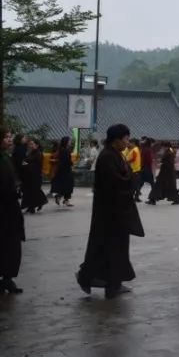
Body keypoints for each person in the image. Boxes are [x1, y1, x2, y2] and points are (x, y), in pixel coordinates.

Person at [76, 124, 145, 299]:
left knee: (116, 249)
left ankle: (114, 282)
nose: (128, 142)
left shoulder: (116, 155)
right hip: (110, 213)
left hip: (118, 211)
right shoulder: (107, 157)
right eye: (126, 139)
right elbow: (116, 183)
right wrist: (133, 180)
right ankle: (93, 278)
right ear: (116, 139)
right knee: (106, 248)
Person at [1, 129, 25, 294]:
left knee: (11, 245)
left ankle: (7, 278)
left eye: (10, 137)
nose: (9, 140)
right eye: (6, 137)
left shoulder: (6, 157)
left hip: (9, 207)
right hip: (4, 208)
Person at [18, 139, 47, 214]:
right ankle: (33, 206)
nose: (31, 146)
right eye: (30, 144)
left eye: (32, 144)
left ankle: (33, 206)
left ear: (37, 145)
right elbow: (25, 160)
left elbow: (35, 165)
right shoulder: (31, 153)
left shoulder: (38, 153)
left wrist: (27, 164)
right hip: (29, 176)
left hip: (35, 176)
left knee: (34, 191)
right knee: (31, 191)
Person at [50, 136, 75, 207]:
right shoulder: (66, 150)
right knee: (68, 186)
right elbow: (67, 161)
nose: (70, 142)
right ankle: (65, 200)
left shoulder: (61, 149)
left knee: (62, 185)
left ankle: (60, 197)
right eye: (69, 141)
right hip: (66, 170)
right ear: (66, 142)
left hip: (61, 170)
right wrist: (72, 164)